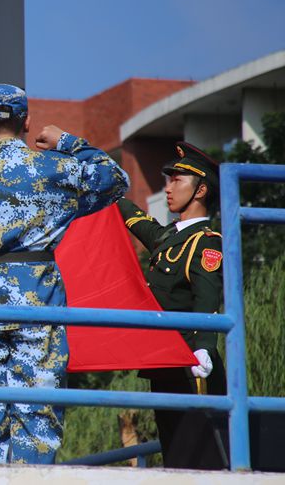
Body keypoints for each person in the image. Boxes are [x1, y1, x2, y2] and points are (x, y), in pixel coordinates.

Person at [0, 84, 129, 464]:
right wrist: (66, 141)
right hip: (38, 293)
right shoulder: (52, 168)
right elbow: (114, 178)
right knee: (38, 403)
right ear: (27, 122)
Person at [117, 142, 228, 469]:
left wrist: (205, 347)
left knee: (202, 459)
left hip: (191, 365)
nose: (168, 188)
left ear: (201, 190)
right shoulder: (168, 238)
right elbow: (132, 216)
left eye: (177, 180)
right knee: (175, 455)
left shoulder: (205, 242)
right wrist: (104, 187)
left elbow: (207, 297)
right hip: (165, 362)